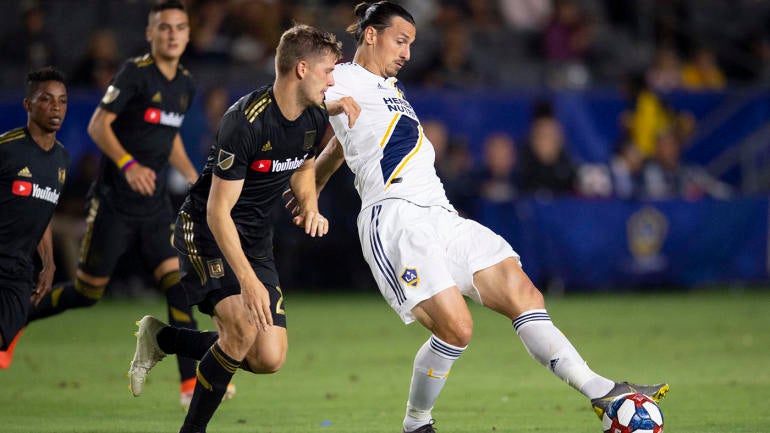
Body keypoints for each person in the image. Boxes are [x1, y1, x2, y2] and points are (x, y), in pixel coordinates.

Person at [308, 3, 669, 432]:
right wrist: (324, 120)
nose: (407, 53)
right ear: (371, 35)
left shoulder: (388, 89)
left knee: (522, 292)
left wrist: (314, 182)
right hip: (396, 219)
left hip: (440, 214)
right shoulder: (343, 76)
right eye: (400, 41)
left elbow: (343, 142)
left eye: (411, 45)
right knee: (456, 329)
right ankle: (416, 423)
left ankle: (603, 390)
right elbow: (302, 94)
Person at [126, 24, 359, 433]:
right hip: (206, 232)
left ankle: (163, 339)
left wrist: (310, 205)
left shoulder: (312, 115)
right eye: (328, 71)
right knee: (240, 332)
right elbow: (218, 212)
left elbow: (304, 164)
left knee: (268, 357)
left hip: (254, 238)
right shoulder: (245, 122)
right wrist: (249, 282)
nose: (332, 80)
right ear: (301, 69)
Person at [26, 0, 203, 408]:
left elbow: (171, 138)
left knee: (178, 287)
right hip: (114, 204)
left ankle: (190, 385)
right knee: (87, 292)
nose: (172, 34)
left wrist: (196, 180)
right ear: (150, 33)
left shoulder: (186, 84)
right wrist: (129, 164)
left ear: (188, 35)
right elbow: (98, 125)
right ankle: (16, 319)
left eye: (179, 27)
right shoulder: (134, 74)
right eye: (164, 27)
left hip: (155, 207)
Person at [0, 67, 70, 369]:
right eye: (46, 99)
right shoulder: (7, 148)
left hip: (18, 271)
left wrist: (49, 262)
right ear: (28, 105)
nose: (56, 107)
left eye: (62, 100)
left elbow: (43, 210)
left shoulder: (62, 160)